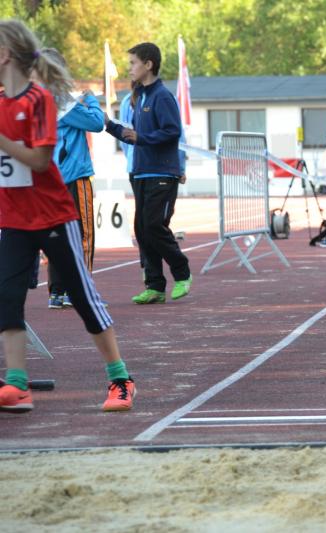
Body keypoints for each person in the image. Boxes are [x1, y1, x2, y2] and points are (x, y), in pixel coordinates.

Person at [0, 19, 135, 413]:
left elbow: (40, 160)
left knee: (81, 296)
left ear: (5, 54)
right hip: (14, 220)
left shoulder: (40, 100)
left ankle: (120, 379)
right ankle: (17, 385)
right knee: (7, 298)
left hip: (53, 217)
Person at [105, 42, 192, 304]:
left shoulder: (162, 96)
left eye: (133, 63)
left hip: (162, 173)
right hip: (141, 172)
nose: (129, 68)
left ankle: (182, 272)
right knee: (142, 230)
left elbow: (172, 132)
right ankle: (154, 286)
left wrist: (142, 138)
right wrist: (108, 125)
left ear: (148, 64)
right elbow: (132, 136)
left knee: (154, 225)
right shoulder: (139, 96)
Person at [32, 48, 105, 310]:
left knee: (55, 235)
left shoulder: (38, 99)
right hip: (75, 176)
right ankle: (81, 291)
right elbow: (97, 123)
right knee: (83, 234)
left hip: (50, 178)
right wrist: (91, 99)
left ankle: (57, 291)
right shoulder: (62, 99)